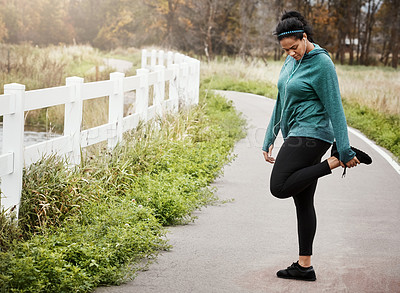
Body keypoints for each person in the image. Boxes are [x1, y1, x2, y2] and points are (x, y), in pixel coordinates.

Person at [262, 11, 372, 281]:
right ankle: (304, 266)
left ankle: (333, 162)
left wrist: (343, 151)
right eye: (285, 50)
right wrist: (269, 137)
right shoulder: (290, 62)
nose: (291, 54)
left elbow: (335, 107)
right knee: (303, 200)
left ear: (305, 37)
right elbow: (281, 100)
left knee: (279, 186)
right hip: (295, 133)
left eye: (294, 48)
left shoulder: (322, 64)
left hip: (312, 135)